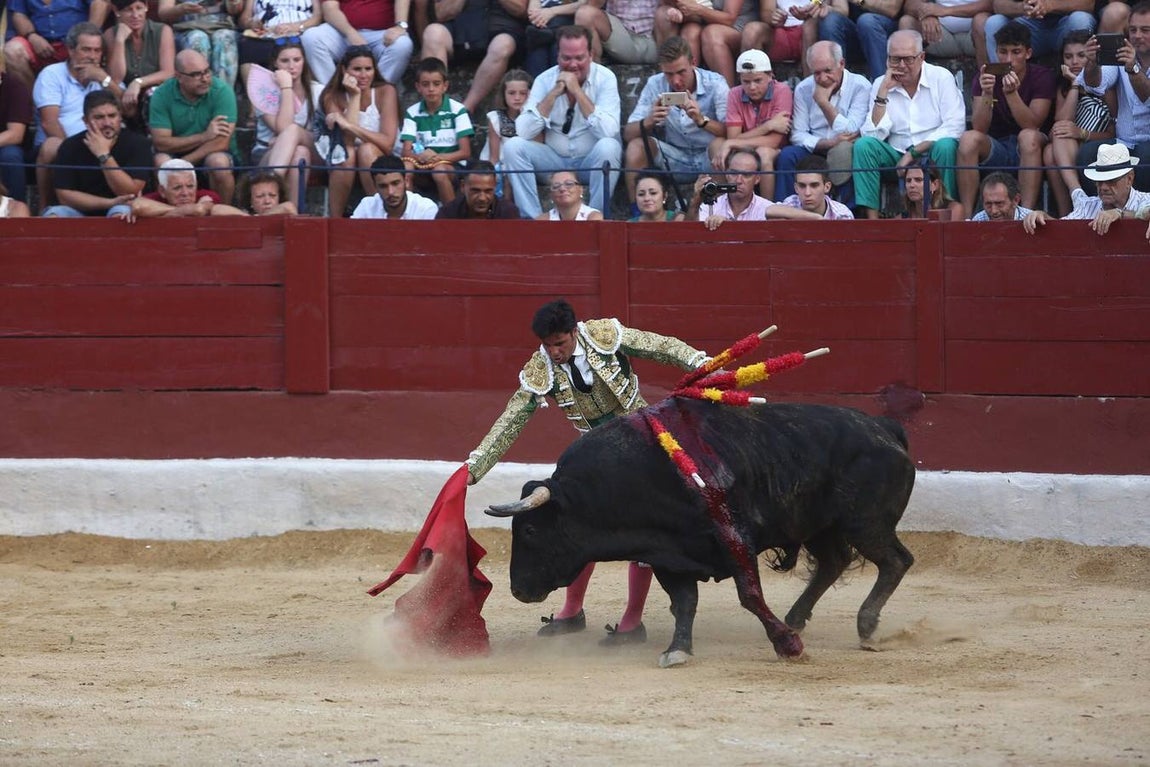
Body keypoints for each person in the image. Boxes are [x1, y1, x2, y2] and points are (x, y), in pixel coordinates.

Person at [466, 298, 710, 645]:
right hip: (593, 455)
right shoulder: (541, 368)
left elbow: (660, 346)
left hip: (643, 441)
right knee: (575, 529)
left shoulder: (602, 336)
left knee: (644, 530)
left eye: (560, 344)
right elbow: (513, 418)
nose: (553, 352)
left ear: (575, 332)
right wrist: (476, 467)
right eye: (547, 345)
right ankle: (571, 611)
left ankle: (631, 622)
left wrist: (702, 364)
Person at [502, 25, 622, 219]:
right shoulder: (544, 79)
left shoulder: (605, 78)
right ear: (558, 56)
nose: (573, 65)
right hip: (554, 162)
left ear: (590, 55)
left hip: (589, 162)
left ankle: (595, 219)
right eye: (566, 58)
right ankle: (532, 220)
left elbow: (609, 130)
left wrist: (577, 92)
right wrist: (554, 93)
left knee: (610, 147)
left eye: (579, 58)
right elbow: (522, 131)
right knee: (513, 147)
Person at [853, 30, 964, 219]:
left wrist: (914, 153)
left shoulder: (941, 77)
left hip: (931, 152)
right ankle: (871, 219)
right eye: (895, 60)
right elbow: (872, 135)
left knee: (946, 145)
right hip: (895, 155)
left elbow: (955, 125)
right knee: (863, 146)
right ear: (887, 60)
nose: (901, 66)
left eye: (908, 59)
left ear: (922, 57)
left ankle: (942, 212)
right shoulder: (882, 83)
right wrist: (883, 94)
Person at [955, 20, 1055, 220]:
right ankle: (967, 217)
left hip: (1031, 147)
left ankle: (1025, 213)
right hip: (998, 146)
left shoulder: (1042, 76)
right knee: (968, 139)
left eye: (1016, 52)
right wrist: (986, 92)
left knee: (1028, 137)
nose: (1008, 59)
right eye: (1003, 52)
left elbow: (1032, 124)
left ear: (1028, 53)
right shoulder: (984, 76)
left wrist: (1011, 95)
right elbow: (979, 127)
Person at [623, 35, 728, 208]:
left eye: (681, 72)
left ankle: (720, 210)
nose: (675, 81)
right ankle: (637, 215)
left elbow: (730, 132)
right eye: (669, 74)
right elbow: (628, 133)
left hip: (708, 156)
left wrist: (701, 120)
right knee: (636, 147)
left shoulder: (715, 84)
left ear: (693, 62)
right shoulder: (655, 84)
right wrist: (649, 121)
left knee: (721, 145)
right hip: (673, 157)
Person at [32, 22, 121, 210]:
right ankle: (43, 206)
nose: (92, 56)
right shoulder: (52, 74)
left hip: (103, 144)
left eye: (97, 51)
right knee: (51, 146)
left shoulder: (103, 77)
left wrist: (104, 79)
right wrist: (73, 151)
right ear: (71, 50)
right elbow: (49, 123)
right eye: (86, 50)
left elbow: (128, 110)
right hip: (63, 144)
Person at [773, 41, 869, 203]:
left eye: (828, 71)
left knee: (846, 152)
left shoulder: (860, 86)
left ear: (842, 64)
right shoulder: (804, 88)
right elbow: (797, 134)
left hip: (845, 146)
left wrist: (823, 103)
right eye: (817, 73)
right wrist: (826, 143)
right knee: (788, 155)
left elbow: (851, 130)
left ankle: (847, 213)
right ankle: (784, 210)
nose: (823, 78)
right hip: (816, 146)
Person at [317, 45, 399, 217]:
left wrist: (350, 126)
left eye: (368, 69)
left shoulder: (386, 91)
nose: (363, 75)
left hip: (380, 156)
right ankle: (336, 219)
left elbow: (387, 143)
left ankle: (380, 214)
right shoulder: (331, 96)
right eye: (357, 69)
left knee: (365, 150)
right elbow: (345, 141)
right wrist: (354, 96)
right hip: (345, 157)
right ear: (344, 70)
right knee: (345, 154)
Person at [1075, 4, 1150, 193]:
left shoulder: (1128, 60)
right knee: (1087, 155)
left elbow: (1146, 98)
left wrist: (1133, 69)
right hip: (1123, 142)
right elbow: (1096, 84)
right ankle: (1097, 210)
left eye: (1145, 30)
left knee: (1145, 157)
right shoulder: (1122, 53)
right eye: (1133, 30)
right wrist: (1092, 63)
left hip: (1148, 145)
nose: (1137, 35)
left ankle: (1139, 214)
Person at [149, 49, 239, 204]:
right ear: (179, 77)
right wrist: (204, 136)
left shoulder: (222, 91)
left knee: (218, 163)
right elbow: (161, 142)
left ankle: (223, 215)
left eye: (207, 71)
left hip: (213, 153)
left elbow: (220, 142)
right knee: (161, 161)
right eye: (196, 74)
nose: (205, 79)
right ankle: (170, 215)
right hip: (175, 153)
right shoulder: (162, 94)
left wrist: (184, 163)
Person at [42, 90, 152, 218]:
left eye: (112, 116)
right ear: (85, 120)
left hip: (123, 207)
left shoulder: (138, 143)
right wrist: (109, 203)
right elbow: (64, 196)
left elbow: (130, 192)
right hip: (81, 210)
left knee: (121, 213)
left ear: (120, 117)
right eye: (99, 117)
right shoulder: (70, 146)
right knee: (54, 214)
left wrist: (104, 155)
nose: (107, 123)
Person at [1043, 30, 1116, 216]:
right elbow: (1059, 125)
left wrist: (1082, 133)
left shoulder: (1105, 85)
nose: (1074, 62)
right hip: (1069, 146)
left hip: (1099, 144)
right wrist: (1075, 84)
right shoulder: (1065, 87)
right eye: (1068, 56)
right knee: (1050, 150)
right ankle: (1072, 206)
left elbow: (1115, 132)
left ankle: (1076, 202)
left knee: (1054, 148)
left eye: (1081, 55)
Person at [708, 48, 791, 200]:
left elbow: (773, 141)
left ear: (770, 76)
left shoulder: (782, 91)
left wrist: (733, 142)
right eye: (746, 82)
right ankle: (722, 203)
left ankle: (767, 208)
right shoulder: (735, 93)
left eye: (757, 80)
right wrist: (768, 126)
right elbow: (733, 136)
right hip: (745, 147)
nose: (752, 87)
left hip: (776, 149)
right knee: (717, 146)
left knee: (763, 153)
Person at [421, 0, 529, 113]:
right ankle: (437, 108)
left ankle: (465, 110)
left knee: (503, 44)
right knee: (433, 32)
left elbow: (521, 10)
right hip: (459, 33)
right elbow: (440, 14)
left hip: (501, 30)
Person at [1023, 142, 1150, 233]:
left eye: (1111, 180)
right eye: (1099, 181)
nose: (1104, 187)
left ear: (1129, 179)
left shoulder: (1146, 200)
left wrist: (1120, 214)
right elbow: (1063, 227)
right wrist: (1043, 217)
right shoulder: (1087, 206)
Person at [253, 39, 320, 210]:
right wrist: (286, 88)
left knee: (294, 132)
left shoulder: (318, 90)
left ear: (304, 61)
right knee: (299, 153)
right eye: (285, 61)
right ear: (275, 63)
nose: (292, 66)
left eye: (297, 60)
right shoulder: (262, 90)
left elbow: (286, 130)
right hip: (267, 153)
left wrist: (286, 87)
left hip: (313, 147)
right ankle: (293, 213)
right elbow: (283, 128)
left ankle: (272, 183)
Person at [399, 57, 473, 203]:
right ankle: (409, 214)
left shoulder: (458, 110)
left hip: (451, 166)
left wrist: (437, 158)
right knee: (406, 167)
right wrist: (421, 157)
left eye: (436, 84)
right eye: (425, 84)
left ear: (445, 86)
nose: (431, 89)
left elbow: (465, 152)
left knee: (439, 170)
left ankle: (451, 217)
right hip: (422, 164)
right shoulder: (412, 113)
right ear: (418, 87)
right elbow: (406, 152)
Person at [301, 0, 415, 87]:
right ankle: (333, 93)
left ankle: (377, 94)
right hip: (342, 32)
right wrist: (351, 33)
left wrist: (400, 25)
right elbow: (329, 9)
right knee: (311, 37)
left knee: (402, 44)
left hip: (381, 33)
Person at [3, 0, 109, 88]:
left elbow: (100, 3)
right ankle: (32, 104)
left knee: (86, 49)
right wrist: (32, 36)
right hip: (39, 43)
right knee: (13, 51)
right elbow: (19, 15)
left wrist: (86, 36)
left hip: (74, 42)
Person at [104, 0, 177, 127]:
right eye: (128, 9)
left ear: (147, 7)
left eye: (139, 8)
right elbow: (116, 78)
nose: (135, 15)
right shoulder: (110, 34)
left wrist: (138, 82)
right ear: (116, 11)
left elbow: (168, 73)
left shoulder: (162, 31)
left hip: (155, 92)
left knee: (154, 94)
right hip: (126, 96)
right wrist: (120, 41)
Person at [158, 0, 243, 89]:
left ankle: (223, 95)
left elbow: (236, 10)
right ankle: (199, 96)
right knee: (198, 39)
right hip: (187, 29)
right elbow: (163, 13)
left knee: (224, 39)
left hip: (224, 26)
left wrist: (233, 2)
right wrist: (181, 9)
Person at [814, 0, 905, 82]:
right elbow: (842, 10)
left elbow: (893, 10)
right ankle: (834, 84)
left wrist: (861, 1)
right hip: (855, 35)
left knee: (867, 22)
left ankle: (882, 87)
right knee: (830, 20)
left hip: (886, 33)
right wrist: (827, 8)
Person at [236, 0, 321, 87]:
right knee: (247, 45)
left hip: (298, 33)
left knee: (303, 44)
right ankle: (255, 95)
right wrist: (251, 23)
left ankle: (304, 95)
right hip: (265, 34)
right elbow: (243, 19)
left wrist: (296, 27)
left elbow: (318, 17)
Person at [129, 156, 249, 216]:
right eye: (177, 188)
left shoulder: (207, 195)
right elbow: (138, 206)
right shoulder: (154, 198)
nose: (185, 193)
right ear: (162, 191)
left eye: (190, 186)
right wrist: (187, 210)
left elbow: (212, 209)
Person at [981, 0, 1094, 63]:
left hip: (1064, 27)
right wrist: (1022, 7)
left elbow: (1089, 4)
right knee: (994, 23)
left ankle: (1083, 86)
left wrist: (1049, 5)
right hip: (1030, 27)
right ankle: (1001, 83)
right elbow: (998, 5)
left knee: (1081, 19)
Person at [481, 69, 532, 202]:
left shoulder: (535, 119)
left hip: (523, 164)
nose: (517, 98)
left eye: (523, 93)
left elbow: (538, 143)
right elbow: (494, 157)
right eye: (511, 93)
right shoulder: (495, 118)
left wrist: (527, 110)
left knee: (512, 176)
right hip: (500, 164)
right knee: (505, 176)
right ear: (504, 94)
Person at [689, 147, 770, 228]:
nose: (739, 180)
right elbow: (691, 233)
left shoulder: (767, 209)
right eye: (734, 173)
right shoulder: (711, 206)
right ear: (726, 174)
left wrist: (728, 226)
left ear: (757, 179)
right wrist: (695, 202)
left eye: (746, 175)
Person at [898, 0, 991, 66]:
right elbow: (910, 4)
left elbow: (992, 4)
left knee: (981, 21)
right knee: (907, 22)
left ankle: (986, 84)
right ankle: (909, 82)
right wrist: (927, 14)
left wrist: (946, 11)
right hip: (940, 33)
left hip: (974, 36)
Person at [765, 154, 855, 218]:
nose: (807, 193)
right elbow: (769, 211)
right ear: (796, 188)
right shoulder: (792, 202)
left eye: (814, 185)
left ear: (827, 187)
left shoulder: (841, 214)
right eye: (802, 186)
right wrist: (815, 218)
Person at [351, 154, 439, 218]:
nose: (390, 192)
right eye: (383, 186)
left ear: (406, 181)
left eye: (395, 183)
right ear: (375, 187)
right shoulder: (366, 206)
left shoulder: (426, 209)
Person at [573, 0, 659, 65]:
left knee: (666, 13)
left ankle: (669, 69)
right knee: (585, 14)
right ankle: (595, 74)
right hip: (623, 39)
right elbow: (592, 5)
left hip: (656, 40)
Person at [437, 161, 523, 218]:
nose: (482, 198)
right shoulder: (448, 213)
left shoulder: (508, 213)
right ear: (463, 186)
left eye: (488, 191)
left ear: (495, 186)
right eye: (475, 191)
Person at [0, 66, 35, 206]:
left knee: (10, 155)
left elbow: (15, 134)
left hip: (6, 146)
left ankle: (16, 209)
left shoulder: (15, 87)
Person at [535, 169, 604, 218]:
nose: (562, 189)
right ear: (551, 195)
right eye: (556, 186)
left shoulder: (593, 217)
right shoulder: (543, 220)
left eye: (569, 184)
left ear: (581, 189)